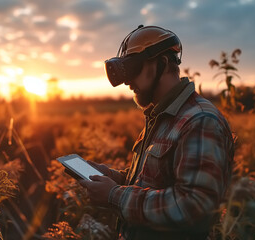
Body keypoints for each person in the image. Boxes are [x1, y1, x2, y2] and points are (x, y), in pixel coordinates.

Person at [78, 25, 234, 240]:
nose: (127, 80)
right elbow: (152, 183)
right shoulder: (161, 117)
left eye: (134, 68)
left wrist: (114, 196)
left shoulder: (199, 120)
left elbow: (194, 207)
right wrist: (112, 177)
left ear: (162, 64)